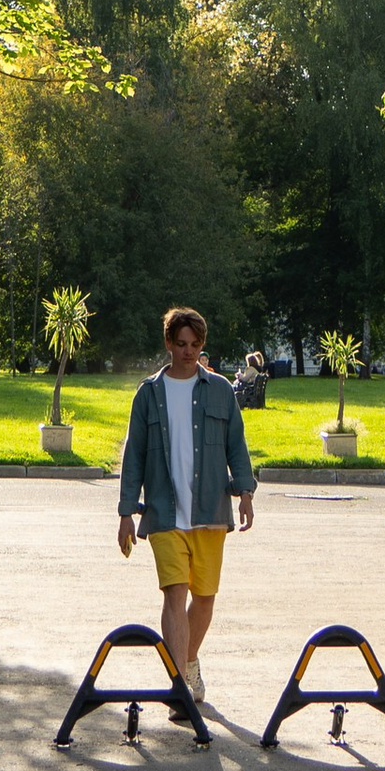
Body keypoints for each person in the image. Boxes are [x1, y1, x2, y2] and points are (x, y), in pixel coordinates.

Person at [117, 304, 256, 710]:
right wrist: (127, 511)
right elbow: (134, 454)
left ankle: (189, 659)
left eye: (195, 345)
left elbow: (236, 444)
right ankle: (179, 686)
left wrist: (245, 492)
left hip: (210, 510)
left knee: (205, 597)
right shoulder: (148, 394)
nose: (188, 352)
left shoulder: (219, 391)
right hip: (162, 511)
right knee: (174, 594)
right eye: (181, 344)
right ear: (168, 343)